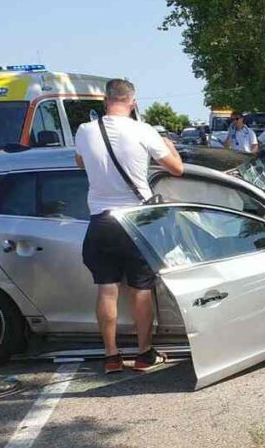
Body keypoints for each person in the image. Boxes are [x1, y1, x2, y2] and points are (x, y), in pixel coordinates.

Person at [75, 79, 184, 374]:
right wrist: (170, 147)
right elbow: (177, 168)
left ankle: (111, 356)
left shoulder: (85, 131)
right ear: (133, 103)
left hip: (100, 220)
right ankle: (144, 353)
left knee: (106, 290)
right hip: (136, 220)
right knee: (141, 289)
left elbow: (80, 163)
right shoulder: (143, 130)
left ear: (105, 101)